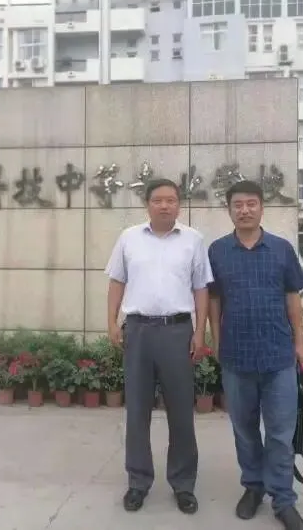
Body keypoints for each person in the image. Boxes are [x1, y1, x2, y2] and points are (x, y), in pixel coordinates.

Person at [104, 178, 213, 515]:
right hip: (138, 331)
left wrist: (200, 332)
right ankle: (138, 482)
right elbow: (117, 280)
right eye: (158, 200)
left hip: (177, 332)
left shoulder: (193, 240)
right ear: (147, 204)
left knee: (181, 412)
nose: (164, 205)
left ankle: (183, 484)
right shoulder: (129, 238)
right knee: (137, 411)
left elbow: (201, 288)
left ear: (179, 204)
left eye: (171, 200)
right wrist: (111, 322)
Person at [207, 180, 303, 530]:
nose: (245, 210)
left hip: (278, 355)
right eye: (238, 205)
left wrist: (299, 343)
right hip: (236, 357)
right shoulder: (218, 251)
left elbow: (293, 298)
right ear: (229, 210)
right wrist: (216, 339)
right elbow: (213, 299)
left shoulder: (281, 249)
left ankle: (283, 499)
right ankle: (253, 486)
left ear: (262, 208)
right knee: (245, 430)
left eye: (251, 204)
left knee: (280, 433)